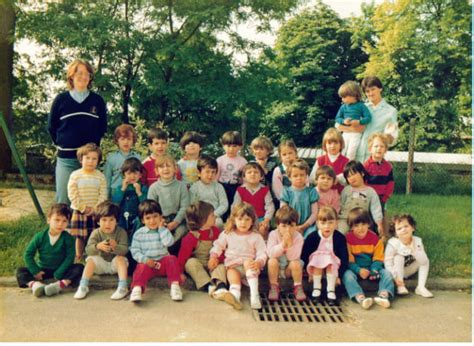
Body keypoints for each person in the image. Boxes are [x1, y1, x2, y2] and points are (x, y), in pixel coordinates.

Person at [48, 59, 107, 205]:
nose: (83, 76)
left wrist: (91, 149)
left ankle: (87, 228)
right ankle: (62, 227)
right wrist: (63, 143)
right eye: (79, 73)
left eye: (87, 74)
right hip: (66, 159)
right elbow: (51, 126)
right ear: (71, 76)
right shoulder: (61, 100)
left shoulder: (97, 100)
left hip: (90, 160)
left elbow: (102, 127)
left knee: (90, 199)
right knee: (64, 200)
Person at [178, 201, 240, 309]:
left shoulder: (215, 231)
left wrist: (217, 259)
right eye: (212, 215)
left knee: (222, 266)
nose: (215, 216)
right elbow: (183, 258)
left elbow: (222, 249)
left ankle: (221, 287)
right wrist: (179, 273)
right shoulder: (191, 237)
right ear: (202, 220)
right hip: (200, 264)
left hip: (213, 262)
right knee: (190, 263)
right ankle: (209, 286)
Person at [16, 204, 83, 297]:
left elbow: (70, 257)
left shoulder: (68, 238)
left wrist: (59, 273)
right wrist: (35, 271)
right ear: (48, 220)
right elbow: (28, 254)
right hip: (43, 271)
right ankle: (35, 285)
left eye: (64, 221)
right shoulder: (40, 236)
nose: (60, 224)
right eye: (57, 220)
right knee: (21, 271)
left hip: (61, 271)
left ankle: (59, 285)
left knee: (79, 268)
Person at [209, 203, 267, 310]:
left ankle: (254, 295)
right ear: (234, 219)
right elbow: (218, 245)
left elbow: (262, 252)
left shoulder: (256, 236)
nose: (243, 222)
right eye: (240, 219)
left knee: (248, 262)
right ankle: (235, 297)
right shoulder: (228, 233)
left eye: (247, 219)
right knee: (232, 277)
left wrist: (259, 262)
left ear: (252, 221)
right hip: (233, 266)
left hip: (249, 267)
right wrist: (214, 256)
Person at [129, 200, 183, 302]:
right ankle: (137, 289)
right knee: (141, 267)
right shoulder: (139, 234)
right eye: (148, 218)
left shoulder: (163, 230)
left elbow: (169, 243)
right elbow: (135, 251)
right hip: (148, 265)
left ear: (160, 217)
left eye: (155, 216)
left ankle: (175, 287)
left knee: (172, 259)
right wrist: (145, 260)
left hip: (162, 265)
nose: (152, 221)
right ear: (142, 220)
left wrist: (162, 229)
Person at [74, 201, 129, 300]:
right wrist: (97, 246)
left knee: (121, 259)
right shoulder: (96, 233)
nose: (107, 223)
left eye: (111, 220)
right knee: (90, 260)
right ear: (98, 221)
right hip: (100, 265)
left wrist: (115, 247)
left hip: (115, 265)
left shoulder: (121, 232)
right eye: (104, 220)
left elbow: (125, 250)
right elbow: (88, 250)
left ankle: (123, 287)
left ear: (116, 221)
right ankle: (83, 286)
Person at [342, 208, 394, 310]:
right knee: (347, 275)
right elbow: (348, 259)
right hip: (355, 268)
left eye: (363, 224)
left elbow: (378, 258)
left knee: (387, 274)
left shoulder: (375, 239)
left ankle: (384, 295)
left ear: (368, 224)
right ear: (351, 227)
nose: (360, 228)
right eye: (356, 225)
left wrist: (374, 269)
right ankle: (360, 297)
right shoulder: (347, 239)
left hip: (372, 268)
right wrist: (358, 270)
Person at [338, 76, 399, 163]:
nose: (370, 93)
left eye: (373, 89)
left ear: (380, 89)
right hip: (354, 156)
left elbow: (392, 140)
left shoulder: (391, 111)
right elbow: (338, 126)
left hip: (373, 158)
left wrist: (388, 136)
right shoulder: (360, 107)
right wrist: (351, 128)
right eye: (367, 91)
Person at [67, 143, 107, 261]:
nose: (90, 161)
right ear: (81, 159)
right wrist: (83, 208)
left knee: (94, 234)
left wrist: (96, 208)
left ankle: (94, 254)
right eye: (87, 158)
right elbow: (72, 193)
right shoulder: (75, 175)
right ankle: (78, 255)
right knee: (80, 236)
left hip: (95, 211)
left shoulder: (100, 176)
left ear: (98, 161)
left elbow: (103, 193)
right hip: (79, 210)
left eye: (94, 159)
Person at [301, 206, 348, 306]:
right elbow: (304, 255)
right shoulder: (312, 237)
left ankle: (331, 290)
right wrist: (308, 272)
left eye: (331, 223)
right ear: (318, 224)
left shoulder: (339, 238)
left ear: (336, 223)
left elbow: (344, 258)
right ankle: (316, 288)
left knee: (330, 261)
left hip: (333, 267)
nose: (327, 226)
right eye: (323, 223)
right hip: (315, 267)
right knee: (318, 259)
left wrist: (339, 275)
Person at [147, 154, 190, 254]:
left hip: (178, 219)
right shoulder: (154, 188)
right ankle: (158, 253)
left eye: (168, 166)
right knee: (154, 232)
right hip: (160, 219)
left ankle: (170, 253)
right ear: (156, 171)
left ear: (175, 169)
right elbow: (151, 208)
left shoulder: (181, 186)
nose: (165, 169)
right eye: (162, 167)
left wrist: (175, 222)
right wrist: (160, 221)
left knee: (182, 231)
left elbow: (185, 207)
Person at [385, 214, 433, 298]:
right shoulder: (392, 243)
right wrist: (395, 277)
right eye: (399, 228)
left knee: (425, 260)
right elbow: (388, 263)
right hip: (395, 271)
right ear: (395, 233)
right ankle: (401, 286)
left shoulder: (417, 241)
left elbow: (423, 261)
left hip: (408, 269)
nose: (403, 230)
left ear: (412, 228)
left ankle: (421, 287)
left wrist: (414, 250)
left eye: (406, 226)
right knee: (398, 257)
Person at [266, 205, 306, 302]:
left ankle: (298, 286)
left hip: (289, 269)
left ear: (296, 225)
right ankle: (274, 286)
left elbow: (293, 257)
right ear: (277, 225)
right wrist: (283, 245)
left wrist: (290, 244)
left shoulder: (298, 237)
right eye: (284, 226)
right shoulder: (273, 234)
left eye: (291, 226)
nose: (288, 230)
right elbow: (271, 253)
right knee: (272, 261)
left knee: (296, 263)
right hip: (277, 269)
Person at [338, 161, 383, 236]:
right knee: (340, 233)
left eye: (354, 174)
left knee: (366, 236)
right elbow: (340, 205)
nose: (351, 178)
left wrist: (379, 224)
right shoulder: (346, 190)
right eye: (348, 176)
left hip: (361, 222)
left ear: (362, 173)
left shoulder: (370, 191)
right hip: (345, 219)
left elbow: (376, 209)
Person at [232, 163, 275, 239]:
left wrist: (266, 220)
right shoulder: (240, 190)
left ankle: (263, 247)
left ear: (261, 176)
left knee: (263, 229)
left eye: (256, 172)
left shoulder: (265, 190)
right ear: (244, 177)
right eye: (249, 172)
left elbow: (270, 206)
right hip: (244, 219)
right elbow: (236, 206)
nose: (253, 174)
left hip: (261, 219)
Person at [280, 159, 319, 239]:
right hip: (289, 225)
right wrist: (293, 227)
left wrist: (303, 227)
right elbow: (283, 213)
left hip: (308, 226)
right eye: (295, 176)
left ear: (306, 176)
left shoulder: (311, 191)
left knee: (310, 238)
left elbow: (314, 214)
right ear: (289, 177)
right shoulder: (287, 192)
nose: (299, 178)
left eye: (302, 175)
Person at [334, 81, 371, 160]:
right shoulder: (343, 107)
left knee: (351, 152)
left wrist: (359, 122)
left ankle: (349, 168)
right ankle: (341, 167)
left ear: (353, 95)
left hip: (356, 134)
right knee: (342, 150)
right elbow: (337, 118)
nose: (342, 99)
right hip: (345, 133)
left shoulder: (361, 106)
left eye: (344, 97)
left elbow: (368, 117)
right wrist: (344, 121)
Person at [189, 155, 228, 229]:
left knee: (218, 224)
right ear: (199, 173)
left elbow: (224, 204)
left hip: (215, 216)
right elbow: (192, 205)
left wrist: (214, 215)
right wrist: (200, 217)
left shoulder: (218, 187)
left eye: (213, 172)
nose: (210, 175)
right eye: (207, 172)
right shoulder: (194, 188)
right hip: (199, 217)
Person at [103, 124, 141, 199]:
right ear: (117, 141)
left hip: (132, 192)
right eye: (122, 139)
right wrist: (106, 199)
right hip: (115, 193)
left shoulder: (137, 157)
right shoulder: (111, 158)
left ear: (133, 140)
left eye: (129, 139)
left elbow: (140, 177)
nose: (126, 142)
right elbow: (106, 181)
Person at [216, 131, 247, 219]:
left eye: (234, 146)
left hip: (237, 187)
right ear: (223, 146)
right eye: (228, 146)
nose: (231, 149)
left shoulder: (243, 161)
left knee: (235, 208)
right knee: (223, 207)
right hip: (222, 187)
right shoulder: (220, 160)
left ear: (240, 146)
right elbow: (216, 176)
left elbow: (244, 178)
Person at [309, 128, 349, 193]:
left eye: (336, 143)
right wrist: (322, 180)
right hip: (322, 195)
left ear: (341, 144)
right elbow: (312, 178)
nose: (333, 146)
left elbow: (349, 180)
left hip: (339, 195)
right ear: (325, 145)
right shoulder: (320, 160)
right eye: (329, 143)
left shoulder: (346, 161)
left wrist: (338, 178)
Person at [363, 133, 394, 211]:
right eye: (376, 146)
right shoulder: (366, 166)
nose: (379, 148)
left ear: (385, 150)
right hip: (368, 199)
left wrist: (385, 197)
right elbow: (363, 183)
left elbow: (390, 183)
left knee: (379, 219)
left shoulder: (388, 167)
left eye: (382, 146)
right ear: (370, 149)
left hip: (381, 199)